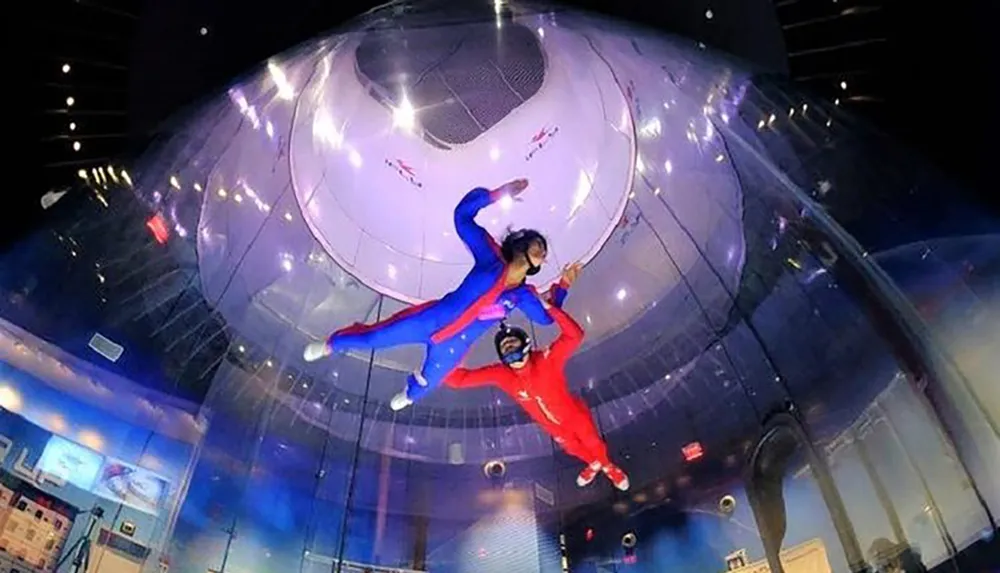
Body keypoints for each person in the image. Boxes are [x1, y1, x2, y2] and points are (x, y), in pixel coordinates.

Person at [303, 178, 564, 411]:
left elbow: (546, 319)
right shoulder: (491, 256)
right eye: (538, 243)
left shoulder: (523, 295)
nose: (542, 250)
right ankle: (331, 345)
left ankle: (409, 393)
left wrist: (562, 288)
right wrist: (496, 194)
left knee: (428, 382)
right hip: (430, 319)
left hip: (454, 346)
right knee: (374, 337)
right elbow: (462, 216)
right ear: (521, 243)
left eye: (544, 250)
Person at [444, 264, 630, 491]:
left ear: (525, 344)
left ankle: (609, 467)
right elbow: (459, 380)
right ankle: (592, 463)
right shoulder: (501, 375)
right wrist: (451, 350)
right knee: (572, 449)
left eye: (512, 343)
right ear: (501, 356)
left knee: (592, 442)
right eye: (504, 347)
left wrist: (548, 306)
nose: (509, 348)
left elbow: (574, 335)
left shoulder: (546, 359)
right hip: (554, 428)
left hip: (573, 415)